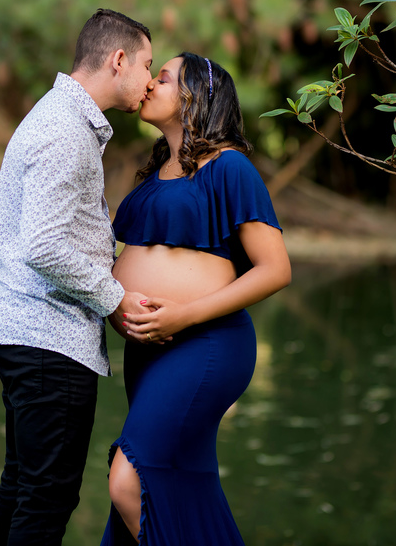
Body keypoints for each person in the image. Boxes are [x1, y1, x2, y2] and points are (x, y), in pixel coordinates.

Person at [0, 8, 156, 546]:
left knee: (27, 487)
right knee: (47, 495)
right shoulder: (64, 129)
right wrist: (116, 299)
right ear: (118, 60)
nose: (149, 81)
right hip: (47, 339)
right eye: (147, 65)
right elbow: (45, 244)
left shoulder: (63, 119)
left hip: (32, 335)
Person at [101, 52, 292, 545]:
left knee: (129, 480)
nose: (148, 84)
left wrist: (183, 315)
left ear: (194, 97)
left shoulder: (230, 167)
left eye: (161, 77)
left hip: (205, 344)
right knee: (175, 481)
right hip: (149, 352)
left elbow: (276, 269)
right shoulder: (153, 173)